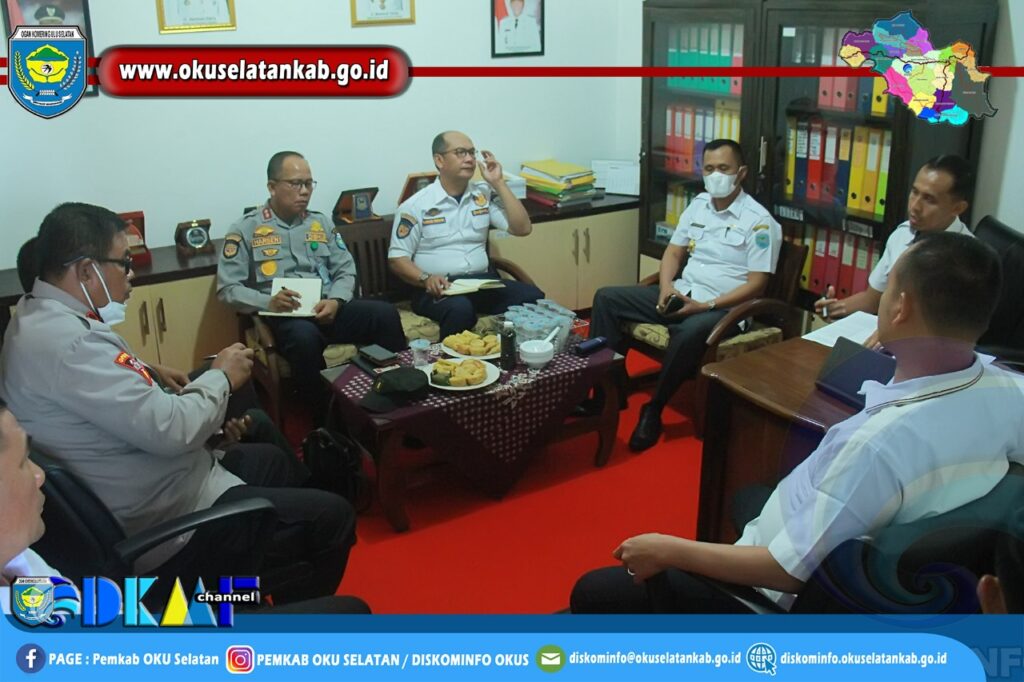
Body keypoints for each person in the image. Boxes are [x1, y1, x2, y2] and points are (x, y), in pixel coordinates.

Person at [571, 232, 1024, 614]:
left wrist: (667, 549)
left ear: (900, 308)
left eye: (887, 291)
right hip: (862, 553)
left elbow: (788, 571)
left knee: (594, 592)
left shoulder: (876, 446)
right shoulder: (1010, 389)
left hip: (770, 592)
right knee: (749, 496)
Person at [0, 203, 356, 603]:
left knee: (267, 451)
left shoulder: (36, 316)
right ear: (86, 271)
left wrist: (147, 369)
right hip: (171, 517)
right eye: (123, 262)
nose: (130, 274)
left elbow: (93, 385)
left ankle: (269, 549)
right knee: (334, 517)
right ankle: (277, 609)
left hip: (158, 478)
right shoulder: (72, 343)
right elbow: (173, 430)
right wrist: (222, 376)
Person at [0, 400, 370, 615]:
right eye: (22, 464)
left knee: (267, 456)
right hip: (166, 529)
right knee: (349, 605)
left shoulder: (20, 561)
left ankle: (253, 598)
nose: (39, 475)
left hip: (129, 606)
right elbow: (170, 430)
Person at [589, 139, 782, 452]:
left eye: (724, 168)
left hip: (723, 309)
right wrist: (667, 287)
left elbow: (757, 284)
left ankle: (653, 409)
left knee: (689, 331)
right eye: (709, 168)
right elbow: (674, 253)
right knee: (606, 298)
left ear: (741, 173)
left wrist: (705, 305)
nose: (716, 175)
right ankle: (608, 392)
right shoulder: (698, 205)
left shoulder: (759, 222)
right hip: (684, 293)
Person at [217, 151, 405, 422]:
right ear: (272, 186)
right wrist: (268, 301)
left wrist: (337, 300)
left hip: (327, 308)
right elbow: (228, 289)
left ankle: (397, 399)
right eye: (296, 183)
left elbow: (345, 269)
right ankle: (328, 421)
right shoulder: (246, 228)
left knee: (384, 314)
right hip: (285, 317)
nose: (304, 191)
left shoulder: (320, 222)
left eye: (308, 184)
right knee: (305, 339)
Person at [388, 131, 544, 340]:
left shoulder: (482, 195)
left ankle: (514, 355)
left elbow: (522, 228)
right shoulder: (416, 206)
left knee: (532, 297)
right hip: (438, 288)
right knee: (460, 309)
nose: (470, 159)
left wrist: (498, 183)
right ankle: (452, 360)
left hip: (481, 283)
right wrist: (426, 278)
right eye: (461, 152)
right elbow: (397, 259)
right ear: (439, 160)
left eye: (472, 152)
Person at [815, 155, 975, 320]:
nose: (915, 206)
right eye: (914, 192)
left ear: (958, 208)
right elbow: (872, 300)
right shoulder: (902, 234)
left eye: (929, 199)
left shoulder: (968, 260)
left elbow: (948, 327)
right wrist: (833, 309)